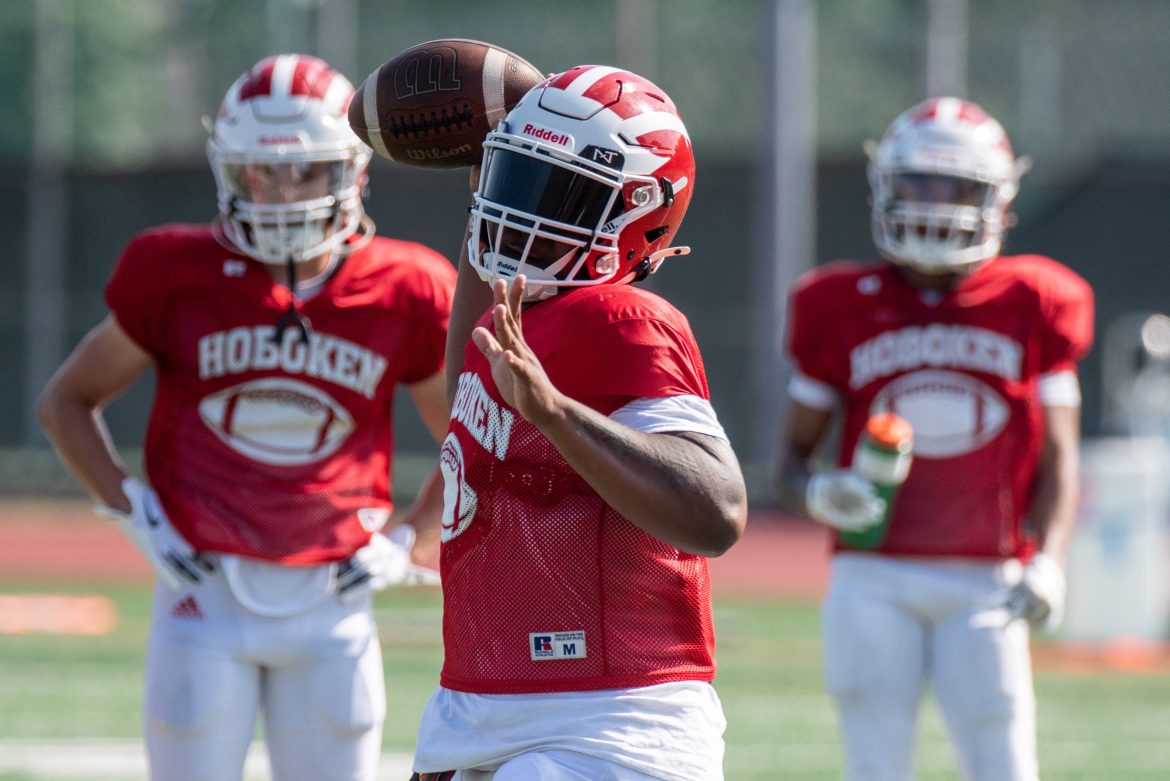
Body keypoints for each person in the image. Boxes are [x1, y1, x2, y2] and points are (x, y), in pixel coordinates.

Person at [36, 54, 456, 781]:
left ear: (354, 173)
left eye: (306, 172)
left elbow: (473, 437)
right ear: (228, 172)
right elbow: (66, 401)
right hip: (203, 591)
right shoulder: (173, 269)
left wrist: (410, 540)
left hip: (334, 594)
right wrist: (132, 508)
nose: (283, 194)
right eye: (259, 173)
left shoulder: (407, 285)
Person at [409, 65, 749, 781]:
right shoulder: (519, 318)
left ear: (636, 211)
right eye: (514, 180)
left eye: (555, 192)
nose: (520, 210)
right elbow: (458, 386)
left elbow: (717, 510)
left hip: (608, 722)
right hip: (478, 706)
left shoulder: (624, 318)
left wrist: (557, 415)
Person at [773, 96, 1094, 781]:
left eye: (955, 186)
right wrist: (821, 491)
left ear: (1000, 202)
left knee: (1003, 757)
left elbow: (1062, 454)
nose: (934, 202)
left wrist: (1052, 559)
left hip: (990, 576)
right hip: (873, 572)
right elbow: (791, 464)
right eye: (917, 182)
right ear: (883, 186)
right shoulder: (836, 301)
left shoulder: (1037, 299)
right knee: (874, 761)